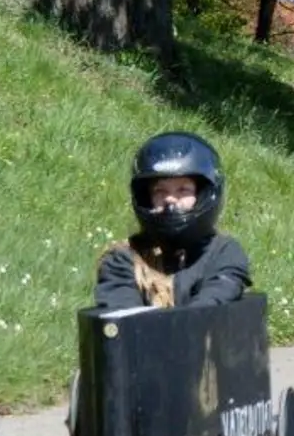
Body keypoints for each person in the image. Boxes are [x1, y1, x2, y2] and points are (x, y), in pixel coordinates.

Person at [93, 131, 252, 310]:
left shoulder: (224, 252)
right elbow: (124, 318)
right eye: (160, 191)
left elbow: (214, 302)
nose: (170, 200)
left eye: (183, 190)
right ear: (147, 197)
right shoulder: (122, 259)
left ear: (202, 195)